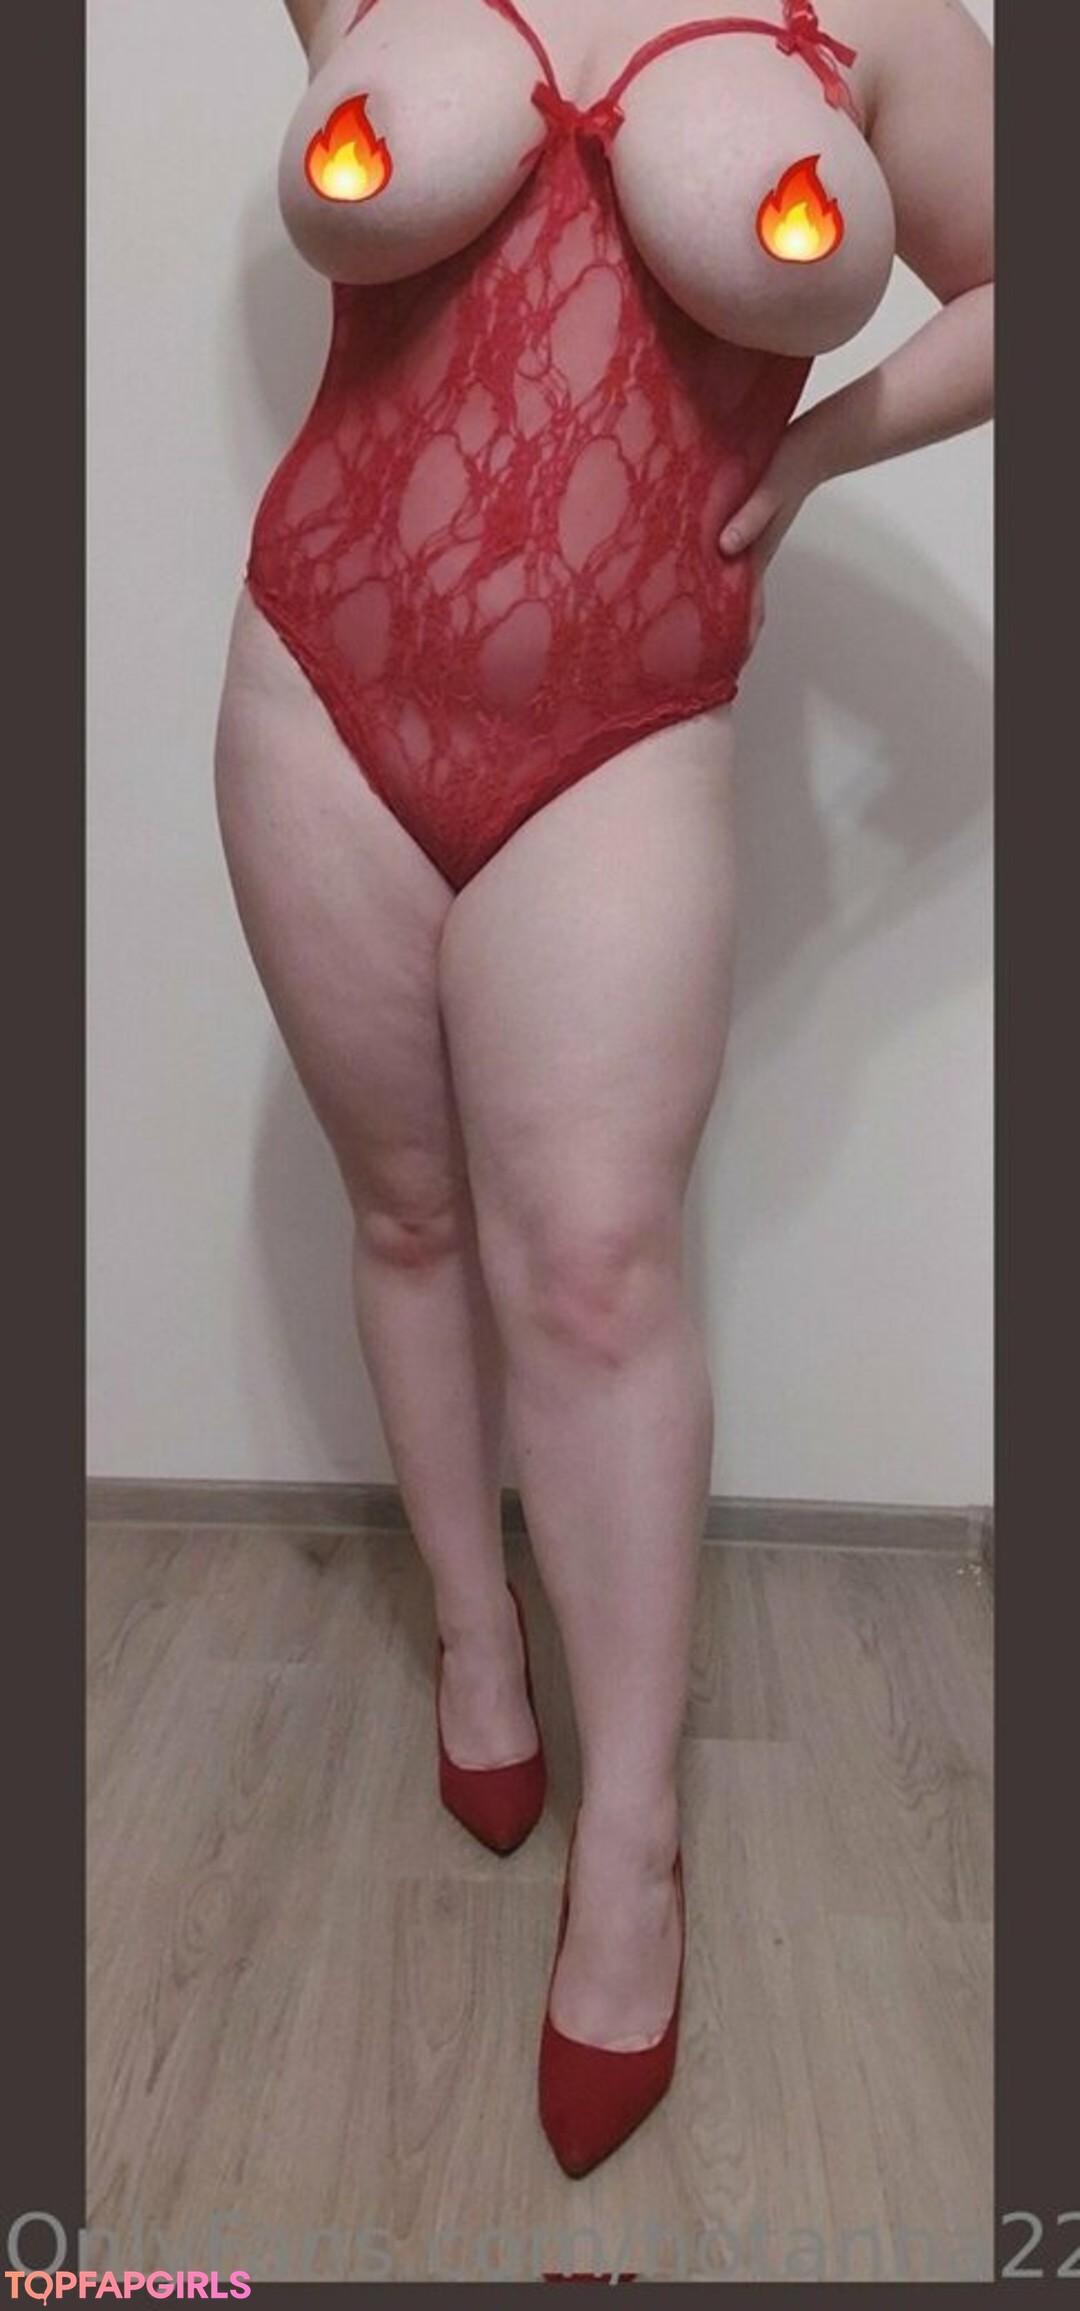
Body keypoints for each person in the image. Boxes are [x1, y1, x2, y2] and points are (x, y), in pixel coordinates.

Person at [213, 0, 993, 2177]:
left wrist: (820, 451)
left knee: (594, 1276)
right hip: (316, 675)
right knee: (405, 1211)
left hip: (628, 723)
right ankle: (478, 1653)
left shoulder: (889, 28)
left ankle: (633, 1851)